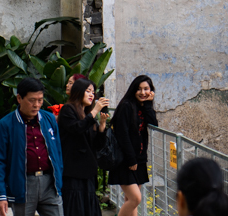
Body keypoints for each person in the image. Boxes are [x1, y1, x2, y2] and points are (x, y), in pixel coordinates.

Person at [0, 78, 64, 216]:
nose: (36, 105)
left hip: (50, 184)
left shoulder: (49, 119)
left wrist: (59, 181)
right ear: (19, 98)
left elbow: (58, 153)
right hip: (23, 185)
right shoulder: (6, 124)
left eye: (40, 100)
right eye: (32, 100)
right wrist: (0, 195)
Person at [57, 78, 110, 216]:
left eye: (93, 92)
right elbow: (77, 129)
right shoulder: (68, 110)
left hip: (88, 172)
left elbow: (97, 145)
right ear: (78, 91)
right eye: (88, 91)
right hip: (73, 172)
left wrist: (102, 127)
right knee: (75, 209)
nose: (92, 95)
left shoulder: (87, 115)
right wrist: (95, 111)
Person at [109, 75, 157, 216]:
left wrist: (149, 104)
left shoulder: (143, 106)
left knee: (130, 199)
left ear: (151, 91)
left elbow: (154, 124)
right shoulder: (126, 106)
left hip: (140, 160)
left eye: (146, 89)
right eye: (139, 89)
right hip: (127, 160)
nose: (143, 93)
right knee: (135, 199)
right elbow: (122, 134)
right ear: (133, 90)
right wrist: (131, 159)